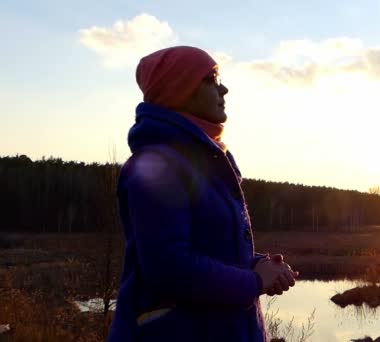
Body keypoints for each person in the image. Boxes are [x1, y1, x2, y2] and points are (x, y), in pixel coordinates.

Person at [108, 46, 298, 341]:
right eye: (210, 79)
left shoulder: (202, 161)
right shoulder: (158, 166)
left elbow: (211, 250)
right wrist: (255, 281)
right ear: (179, 89)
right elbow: (169, 268)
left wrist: (258, 263)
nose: (224, 88)